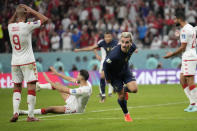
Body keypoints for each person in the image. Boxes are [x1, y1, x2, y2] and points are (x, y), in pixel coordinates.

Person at [8, 4, 48, 122]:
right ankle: (30, 116)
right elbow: (45, 19)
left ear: (16, 15)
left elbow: (10, 21)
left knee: (17, 87)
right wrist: (32, 11)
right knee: (31, 87)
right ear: (25, 15)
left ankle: (15, 112)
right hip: (28, 61)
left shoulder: (11, 26)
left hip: (15, 62)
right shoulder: (27, 26)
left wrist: (17, 12)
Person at [19, 67, 92, 115]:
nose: (77, 76)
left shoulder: (83, 90)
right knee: (57, 84)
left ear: (82, 78)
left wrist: (50, 81)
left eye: (78, 75)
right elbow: (70, 79)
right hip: (73, 99)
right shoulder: (85, 82)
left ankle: (25, 112)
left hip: (75, 109)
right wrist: (57, 74)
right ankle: (39, 86)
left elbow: (65, 90)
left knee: (50, 109)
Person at [163, 10, 197, 112]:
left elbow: (183, 47)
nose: (173, 21)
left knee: (190, 79)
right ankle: (192, 103)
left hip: (189, 55)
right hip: (188, 55)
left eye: (174, 19)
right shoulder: (190, 27)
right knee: (182, 79)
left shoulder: (184, 30)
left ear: (179, 19)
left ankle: (195, 104)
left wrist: (171, 55)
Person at [103, 32, 138, 122]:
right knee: (121, 96)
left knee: (134, 89)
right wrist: (107, 78)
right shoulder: (114, 55)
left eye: (127, 42)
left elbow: (134, 48)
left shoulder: (132, 47)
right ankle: (126, 114)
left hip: (125, 70)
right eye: (122, 42)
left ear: (131, 42)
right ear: (120, 41)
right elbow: (105, 65)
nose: (124, 44)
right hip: (114, 76)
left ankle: (124, 89)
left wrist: (135, 49)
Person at [74, 31, 118, 102]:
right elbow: (91, 48)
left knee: (110, 79)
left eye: (109, 37)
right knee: (102, 77)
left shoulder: (116, 43)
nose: (107, 38)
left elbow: (125, 46)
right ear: (104, 37)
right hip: (106, 62)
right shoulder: (102, 42)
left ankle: (117, 87)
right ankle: (103, 95)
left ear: (111, 37)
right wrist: (79, 49)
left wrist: (134, 49)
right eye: (106, 37)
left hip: (115, 62)